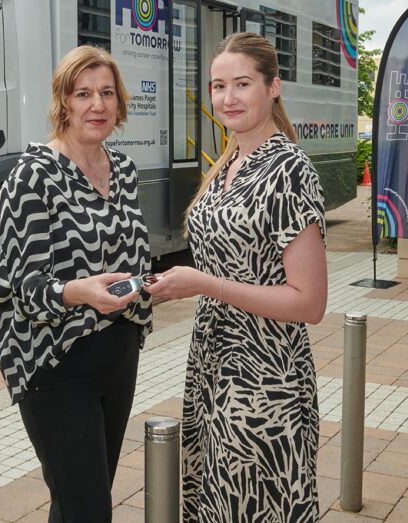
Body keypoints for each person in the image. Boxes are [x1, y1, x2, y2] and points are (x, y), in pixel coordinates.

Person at [147, 32, 327, 522]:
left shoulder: (288, 169)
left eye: (242, 84)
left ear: (273, 87)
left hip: (264, 379)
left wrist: (204, 284)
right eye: (218, 86)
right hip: (214, 366)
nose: (228, 98)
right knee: (215, 502)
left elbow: (309, 303)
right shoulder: (230, 159)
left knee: (249, 505)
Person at [0, 45, 152, 522]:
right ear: (63, 102)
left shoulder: (124, 169)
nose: (97, 105)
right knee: (88, 508)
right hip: (56, 362)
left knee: (82, 501)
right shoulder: (33, 175)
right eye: (83, 94)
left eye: (107, 93)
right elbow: (23, 286)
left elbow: (131, 257)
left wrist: (150, 284)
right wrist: (77, 291)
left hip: (118, 354)